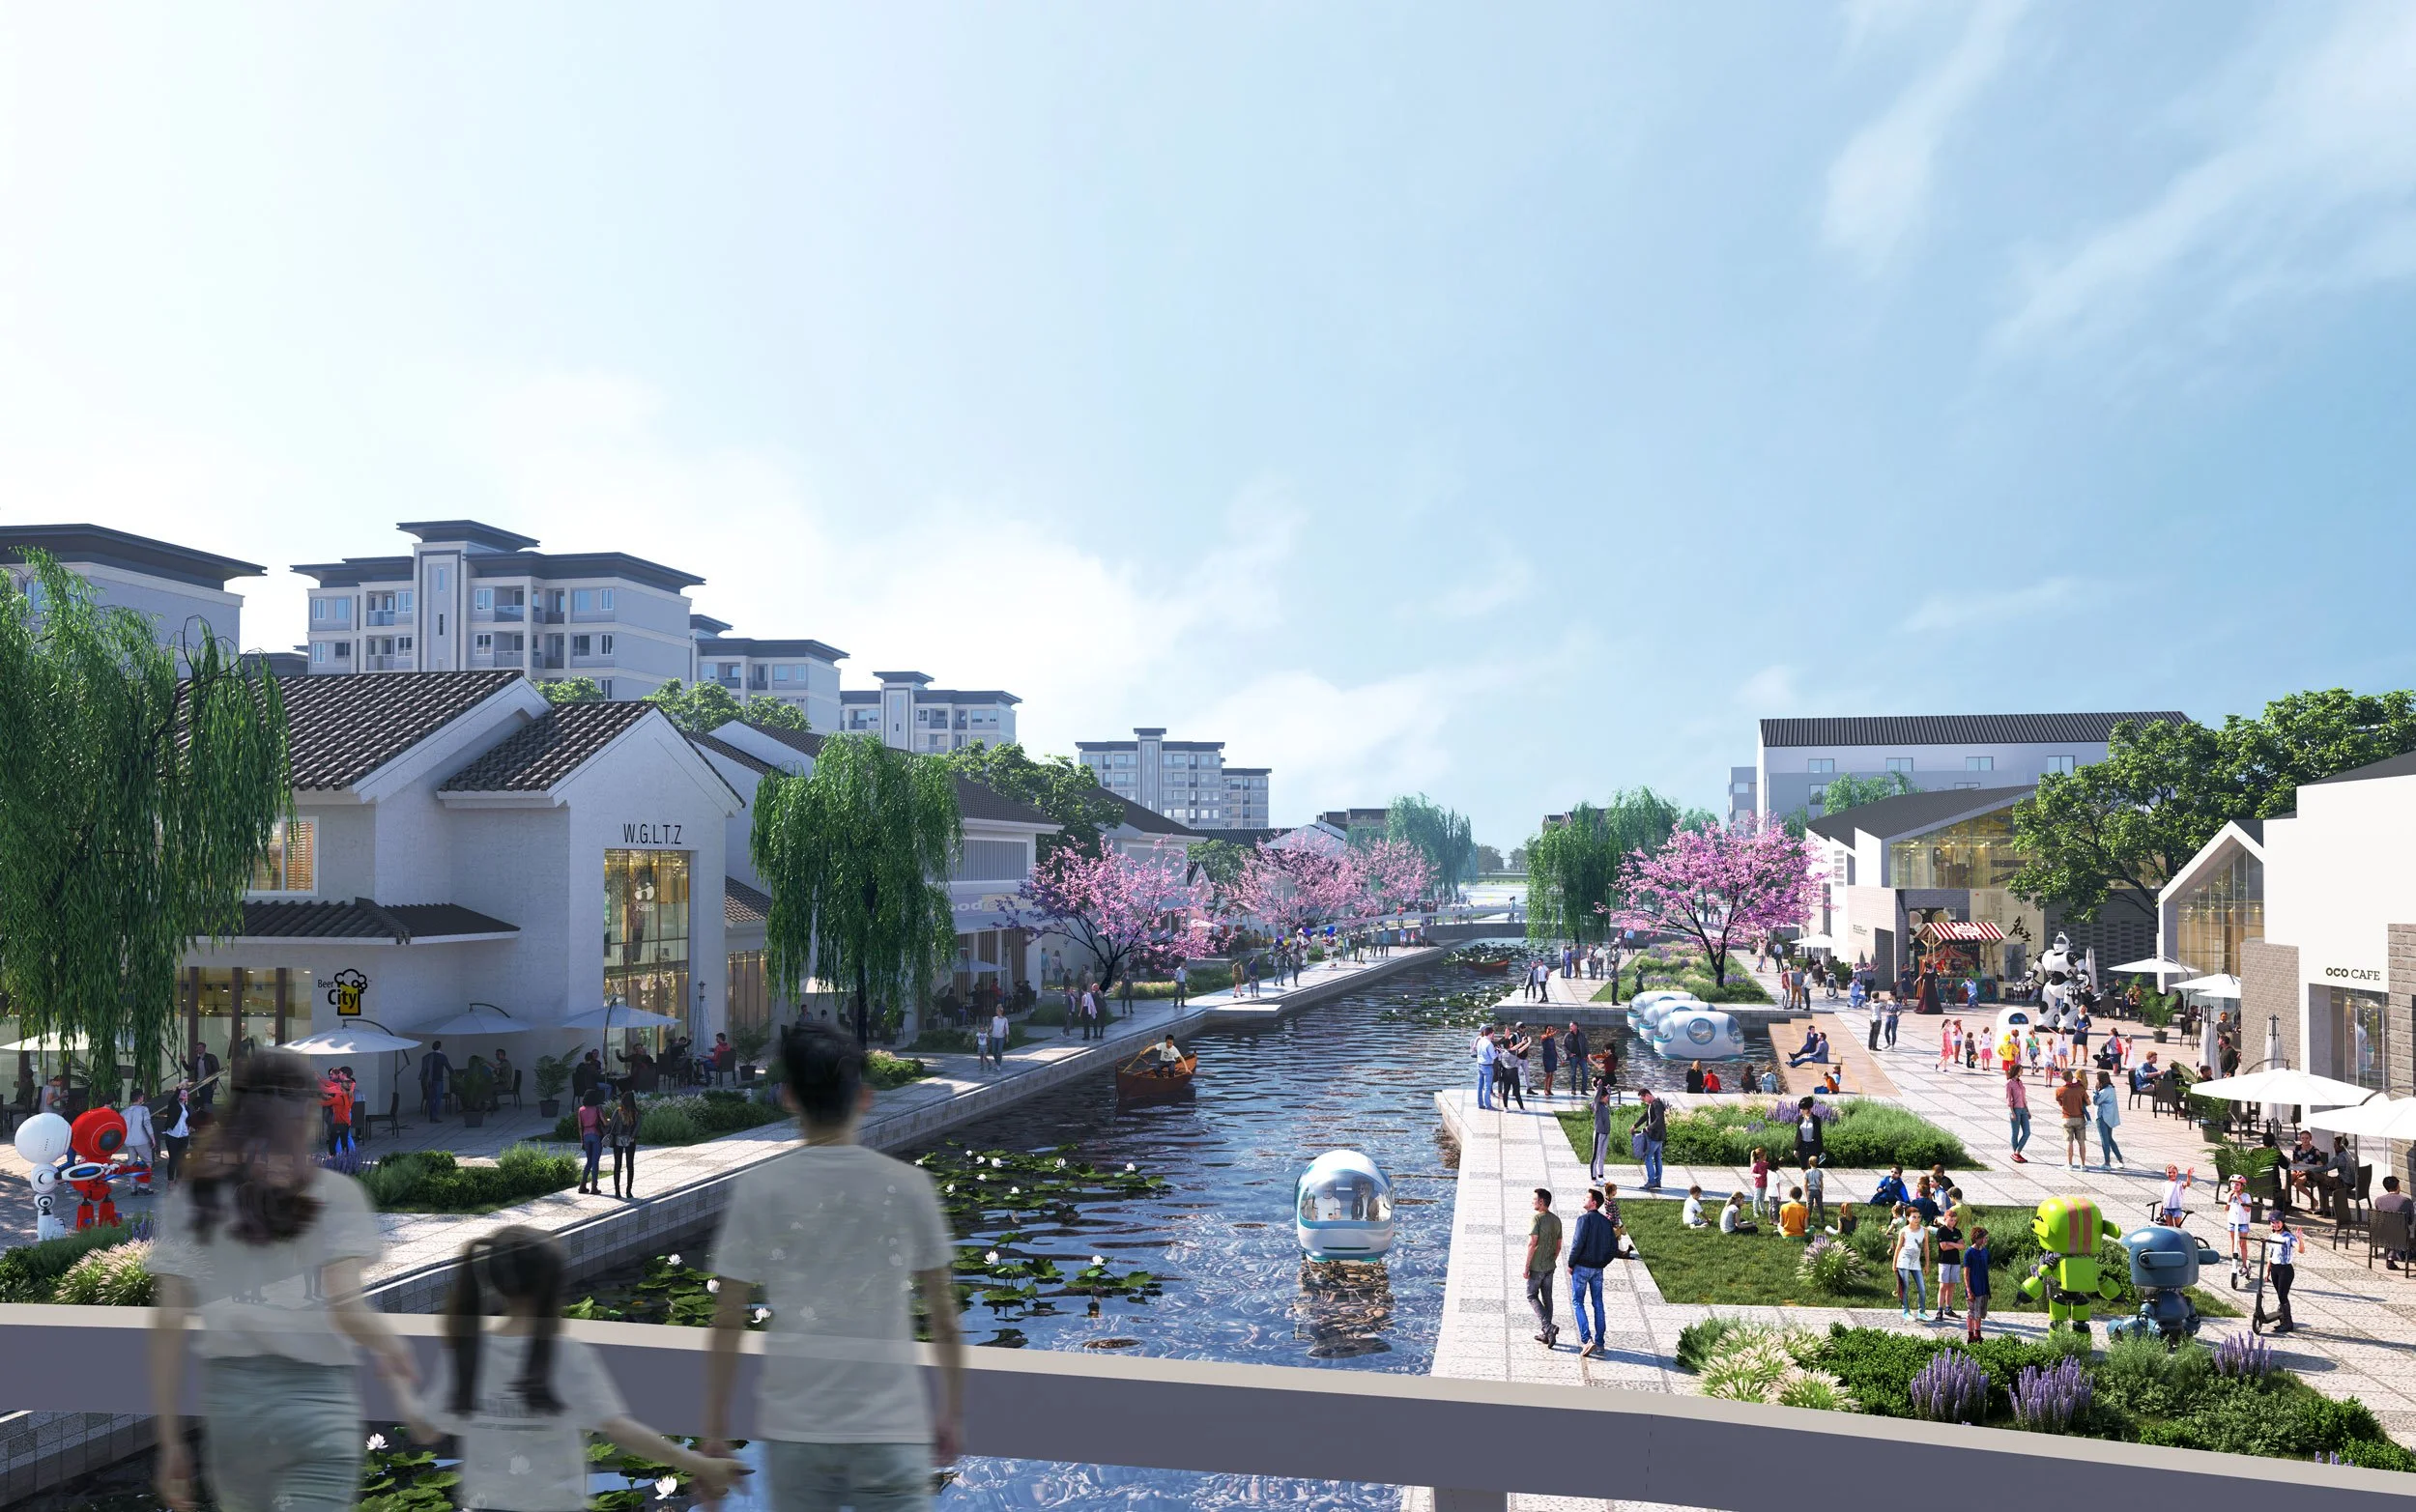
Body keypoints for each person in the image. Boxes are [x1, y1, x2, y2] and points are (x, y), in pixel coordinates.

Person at [705, 1023, 966, 1509]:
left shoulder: (758, 1189)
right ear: (865, 1098)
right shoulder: (910, 1187)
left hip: (796, 1429)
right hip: (890, 1425)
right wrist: (951, 1411)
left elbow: (727, 1321)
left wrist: (716, 1432)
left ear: (787, 1098)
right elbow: (945, 1320)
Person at [148, 1048, 418, 1512]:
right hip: (321, 1406)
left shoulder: (193, 1197)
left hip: (237, 1410)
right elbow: (347, 1308)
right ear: (309, 1113)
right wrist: (394, 1350)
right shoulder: (336, 1194)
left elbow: (168, 1324)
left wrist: (171, 1440)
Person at [417, 1226, 747, 1510]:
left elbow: (427, 1430)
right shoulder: (565, 1353)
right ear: (553, 1285)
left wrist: (397, 1382)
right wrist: (699, 1464)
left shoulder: (466, 1351)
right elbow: (619, 1430)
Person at [1566, 1190, 1618, 1359]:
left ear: (1594, 1203)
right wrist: (1603, 1262)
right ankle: (1600, 1342)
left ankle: (1586, 1339)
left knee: (1577, 1302)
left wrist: (1570, 1263)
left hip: (1581, 1267)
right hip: (1598, 1269)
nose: (1584, 1199)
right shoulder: (1606, 1222)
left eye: (1587, 1197)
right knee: (1598, 1303)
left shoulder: (1583, 1220)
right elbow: (1613, 1248)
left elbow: (1577, 1243)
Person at [1524, 1188, 1562, 1349]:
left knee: (1531, 1295)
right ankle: (1547, 1335)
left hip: (1537, 1266)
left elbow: (1533, 1243)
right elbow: (1559, 1246)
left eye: (1534, 1199)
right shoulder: (1556, 1220)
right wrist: (1552, 1259)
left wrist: (1527, 1266)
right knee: (1548, 1298)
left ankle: (1548, 1328)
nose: (1532, 1201)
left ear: (1541, 1202)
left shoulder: (1536, 1219)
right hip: (1550, 1265)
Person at [1893, 1210, 1933, 1322]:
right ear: (1907, 1218)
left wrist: (1927, 1264)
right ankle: (1906, 1311)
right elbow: (1898, 1247)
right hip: (1903, 1261)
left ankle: (1922, 1312)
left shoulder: (1924, 1231)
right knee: (1905, 1287)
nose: (1917, 1219)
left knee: (1922, 1288)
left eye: (1919, 1217)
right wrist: (1894, 1263)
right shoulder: (1904, 1231)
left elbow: (1926, 1248)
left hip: (1916, 1263)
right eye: (1914, 1217)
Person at [2263, 1214, 2299, 1334]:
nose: (2275, 1225)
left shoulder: (2288, 1237)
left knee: (2282, 1296)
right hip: (2275, 1269)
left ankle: (2288, 1323)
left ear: (2282, 1223)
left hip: (2286, 1270)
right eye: (2272, 1223)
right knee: (2280, 1295)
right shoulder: (2271, 1236)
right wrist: (2267, 1271)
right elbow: (2271, 1256)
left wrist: (2301, 1239)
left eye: (2277, 1222)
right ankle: (2283, 1317)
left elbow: (2301, 1250)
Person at [1934, 1193, 1964, 1321]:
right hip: (1944, 1261)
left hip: (1955, 1261)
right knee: (1943, 1285)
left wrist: (1951, 1244)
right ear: (1945, 1219)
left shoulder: (1957, 1231)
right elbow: (1943, 1247)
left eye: (1954, 1220)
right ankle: (1939, 1309)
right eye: (1951, 1220)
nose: (1953, 1222)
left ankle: (1949, 1307)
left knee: (1952, 1285)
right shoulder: (1942, 1231)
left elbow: (1962, 1246)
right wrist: (1954, 1244)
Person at [608, 1089, 642, 1200]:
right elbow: (638, 1126)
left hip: (618, 1139)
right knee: (630, 1165)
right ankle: (628, 1191)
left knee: (617, 1165)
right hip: (630, 1140)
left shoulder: (618, 1111)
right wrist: (632, 1136)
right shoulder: (635, 1112)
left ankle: (617, 1191)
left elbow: (612, 1124)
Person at [158, 1084, 196, 1183]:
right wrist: (179, 1088)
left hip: (184, 1136)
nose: (183, 1094)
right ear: (178, 1095)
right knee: (173, 1159)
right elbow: (173, 1098)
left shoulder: (187, 1108)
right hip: (172, 1136)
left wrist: (189, 1128)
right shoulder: (173, 1105)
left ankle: (178, 1180)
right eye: (181, 1093)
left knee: (182, 1159)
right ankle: (170, 1181)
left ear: (187, 1097)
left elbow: (188, 1120)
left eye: (185, 1093)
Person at [2376, 1176, 2415, 1269]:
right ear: (2398, 1186)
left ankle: (2390, 1258)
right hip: (2400, 1235)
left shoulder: (2378, 1200)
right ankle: (2403, 1255)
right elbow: (2410, 1221)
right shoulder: (2406, 1201)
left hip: (2382, 1233)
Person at [2054, 1070, 2089, 1169]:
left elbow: (2059, 1102)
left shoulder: (2059, 1090)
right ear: (2072, 1077)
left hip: (2067, 1118)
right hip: (2080, 1118)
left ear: (2063, 1079)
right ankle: (2083, 1165)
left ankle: (2069, 1164)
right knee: (2081, 1142)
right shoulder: (2080, 1089)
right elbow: (2088, 1101)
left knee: (2069, 1142)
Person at [1963, 1225, 1992, 1342]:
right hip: (1974, 1288)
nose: (1986, 1240)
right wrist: (1969, 1290)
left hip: (1983, 1288)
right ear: (1977, 1238)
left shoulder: (1985, 1252)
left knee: (1980, 1313)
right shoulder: (1969, 1253)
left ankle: (1978, 1334)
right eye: (1985, 1237)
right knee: (1972, 1312)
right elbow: (1966, 1273)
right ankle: (1970, 1335)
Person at [2091, 1070, 2125, 1169]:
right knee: (2110, 1139)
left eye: (2097, 1079)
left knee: (2105, 1140)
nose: (2096, 1081)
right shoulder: (2111, 1088)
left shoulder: (2104, 1091)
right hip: (2110, 1117)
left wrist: (2095, 1091)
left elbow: (2096, 1101)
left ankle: (2107, 1163)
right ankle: (2120, 1160)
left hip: (2102, 1117)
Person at [576, 1089, 607, 1196]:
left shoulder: (581, 1110)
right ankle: (594, 1186)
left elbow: (580, 1127)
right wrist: (609, 1120)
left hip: (585, 1135)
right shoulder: (597, 1108)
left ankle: (582, 1185)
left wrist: (582, 1141)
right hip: (596, 1135)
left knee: (589, 1161)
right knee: (595, 1162)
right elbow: (604, 1122)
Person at [122, 1088, 158, 1181]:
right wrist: (153, 1138)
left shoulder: (124, 1112)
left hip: (129, 1141)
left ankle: (133, 1187)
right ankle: (144, 1185)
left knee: (131, 1163)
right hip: (142, 1140)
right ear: (140, 1098)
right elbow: (147, 1124)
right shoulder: (144, 1109)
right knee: (147, 1162)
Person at [1637, 1090, 1667, 1191]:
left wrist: (1648, 1128)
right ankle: (1657, 1180)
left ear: (1647, 1095)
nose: (1644, 1101)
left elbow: (1659, 1120)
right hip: (1659, 1136)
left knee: (1647, 1157)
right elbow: (1645, 1116)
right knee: (1658, 1157)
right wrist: (1635, 1125)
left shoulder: (1656, 1104)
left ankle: (1651, 1181)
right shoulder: (1652, 1104)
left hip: (1655, 1136)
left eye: (1643, 1099)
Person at [2003, 1063, 2031, 1164]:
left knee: (2027, 1132)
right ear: (2016, 1070)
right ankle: (2016, 1154)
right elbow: (2008, 1098)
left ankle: (2016, 1153)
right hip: (2015, 1110)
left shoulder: (2020, 1082)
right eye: (2020, 1070)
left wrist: (2027, 1110)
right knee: (2015, 1133)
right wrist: (2012, 1112)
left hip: (2023, 1109)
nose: (2022, 1071)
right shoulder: (2009, 1083)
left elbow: (2024, 1097)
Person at [1587, 1078, 1613, 1183]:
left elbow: (1607, 1097)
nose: (1608, 1099)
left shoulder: (1605, 1105)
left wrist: (1608, 1090)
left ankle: (1600, 1174)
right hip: (1599, 1134)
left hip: (1606, 1133)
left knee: (1602, 1155)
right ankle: (1593, 1178)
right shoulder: (1596, 1106)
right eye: (1606, 1097)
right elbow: (1597, 1097)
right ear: (1601, 1097)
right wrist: (1600, 1087)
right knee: (1596, 1156)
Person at [419, 1039, 451, 1123]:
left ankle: (431, 1115)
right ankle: (434, 1116)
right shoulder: (442, 1057)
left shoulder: (427, 1056)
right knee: (437, 1099)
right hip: (438, 1080)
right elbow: (449, 1068)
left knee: (430, 1098)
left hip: (428, 1080)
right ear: (440, 1047)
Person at [1792, 1097, 1824, 1169]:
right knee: (1804, 1168)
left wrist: (1821, 1150)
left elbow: (1819, 1135)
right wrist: (1796, 1148)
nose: (1801, 1110)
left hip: (1813, 1147)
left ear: (1809, 1109)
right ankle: (1805, 1181)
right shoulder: (1800, 1119)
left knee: (1812, 1169)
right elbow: (1798, 1134)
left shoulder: (1816, 1119)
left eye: (1803, 1109)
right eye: (1801, 1108)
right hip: (1802, 1147)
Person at [1803, 1155, 1826, 1229]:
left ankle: (1808, 1221)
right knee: (1820, 1206)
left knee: (1809, 1207)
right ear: (1817, 1163)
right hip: (1817, 1190)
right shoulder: (1820, 1172)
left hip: (1810, 1190)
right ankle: (1822, 1220)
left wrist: (1806, 1192)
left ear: (1809, 1163)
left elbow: (1805, 1184)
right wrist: (1821, 1191)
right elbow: (1822, 1183)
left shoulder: (1807, 1172)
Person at [1750, 1147, 1770, 1220]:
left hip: (1764, 1184)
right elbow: (1752, 1173)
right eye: (1765, 1155)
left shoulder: (1765, 1164)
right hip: (1758, 1185)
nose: (1766, 1156)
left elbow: (1771, 1166)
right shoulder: (1756, 1165)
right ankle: (1755, 1211)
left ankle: (1762, 1210)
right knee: (1756, 1198)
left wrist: (1778, 1161)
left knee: (1762, 1198)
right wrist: (1756, 1175)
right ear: (1761, 1156)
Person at [990, 1004, 1011, 1073]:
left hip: (1001, 1037)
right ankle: (996, 1061)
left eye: (998, 1011)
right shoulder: (994, 1018)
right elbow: (991, 1027)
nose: (997, 1012)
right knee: (993, 1051)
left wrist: (1007, 1037)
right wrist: (987, 1032)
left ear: (1001, 1011)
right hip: (994, 1037)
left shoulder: (1005, 1020)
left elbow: (1006, 1028)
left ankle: (998, 1065)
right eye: (996, 1011)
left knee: (999, 1051)